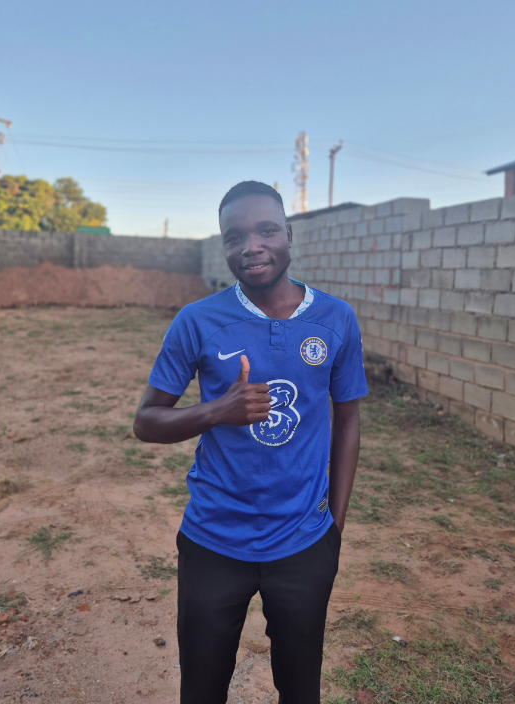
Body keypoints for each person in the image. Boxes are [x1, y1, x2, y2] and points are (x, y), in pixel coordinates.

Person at [134, 181, 368, 704]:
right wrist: (217, 411)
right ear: (224, 246)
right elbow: (146, 422)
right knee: (201, 690)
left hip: (305, 542)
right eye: (234, 237)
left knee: (301, 690)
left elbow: (348, 420)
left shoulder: (336, 319)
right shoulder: (197, 321)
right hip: (213, 540)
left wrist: (334, 527)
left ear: (289, 234)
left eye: (265, 231)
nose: (251, 247)